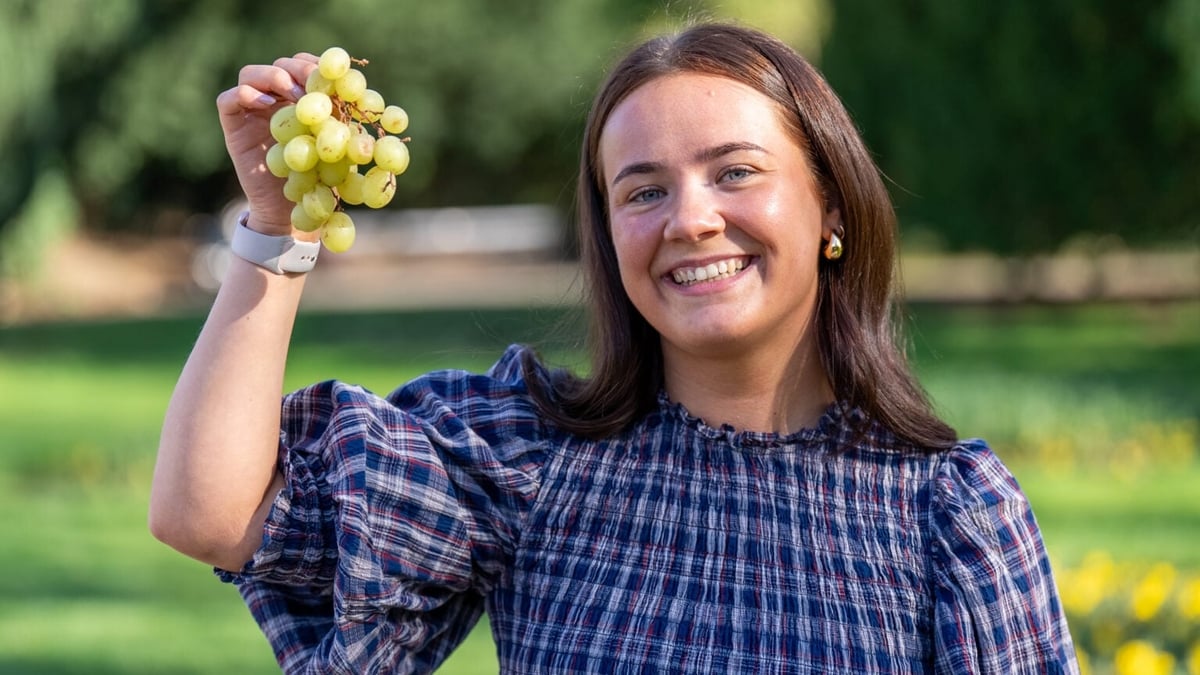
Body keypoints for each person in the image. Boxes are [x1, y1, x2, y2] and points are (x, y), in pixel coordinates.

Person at [149, 21, 1080, 674]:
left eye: (736, 172)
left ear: (830, 202)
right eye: (643, 192)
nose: (692, 219)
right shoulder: (526, 458)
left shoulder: (950, 513)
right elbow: (211, 510)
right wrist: (276, 230)